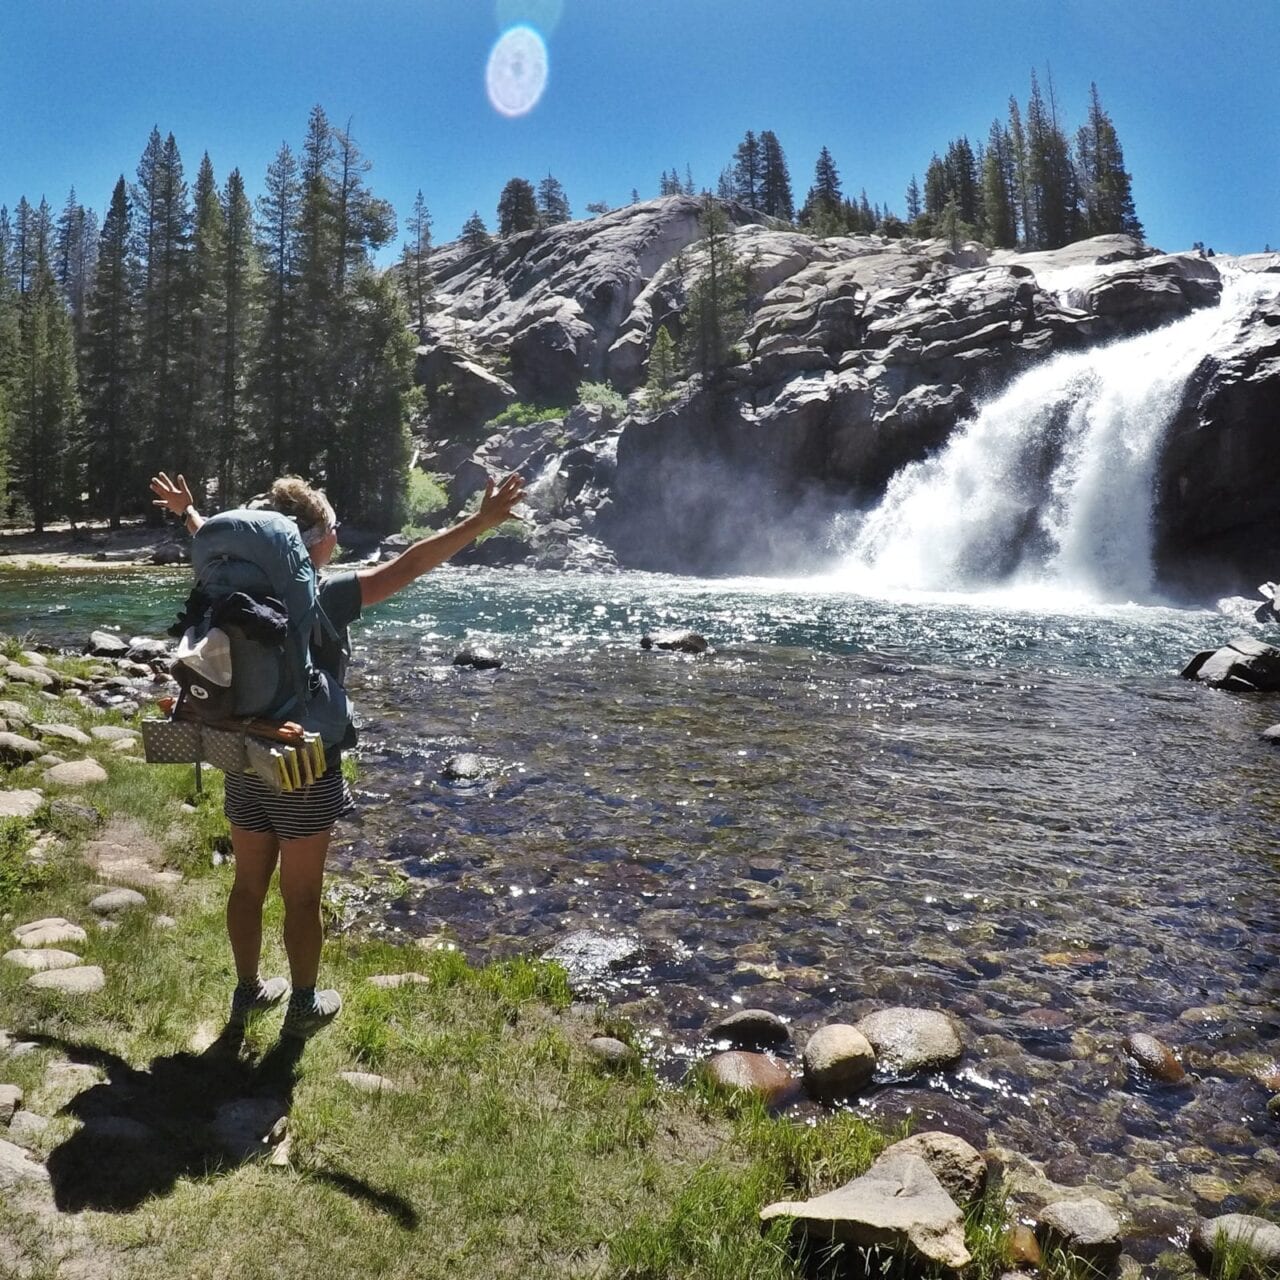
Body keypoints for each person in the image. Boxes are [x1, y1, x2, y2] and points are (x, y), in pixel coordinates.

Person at [149, 469, 525, 1038]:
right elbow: (410, 566)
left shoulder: (232, 592)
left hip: (241, 753)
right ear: (312, 540)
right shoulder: (327, 596)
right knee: (302, 898)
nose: (337, 539)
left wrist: (189, 514)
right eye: (332, 529)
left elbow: (222, 538)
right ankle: (303, 1005)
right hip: (301, 764)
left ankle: (248, 990)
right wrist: (480, 521)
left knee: (248, 885)